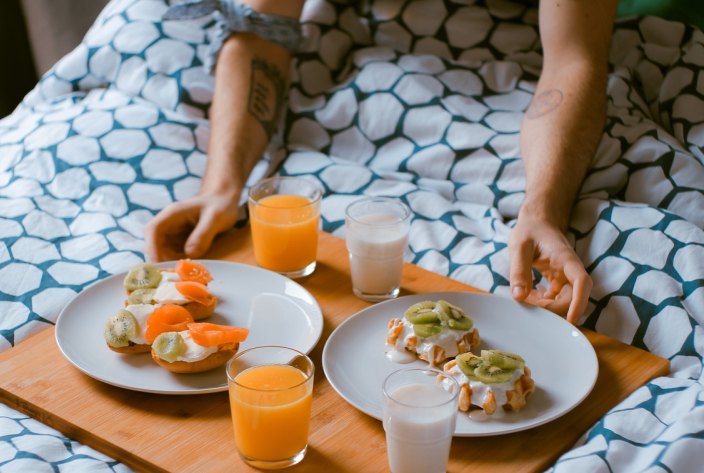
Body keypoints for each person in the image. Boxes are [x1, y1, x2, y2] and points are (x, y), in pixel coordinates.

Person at [144, 0, 618, 325]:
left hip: (514, 63)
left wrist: (542, 211)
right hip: (338, 42)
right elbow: (260, 29)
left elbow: (573, 58)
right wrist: (222, 186)